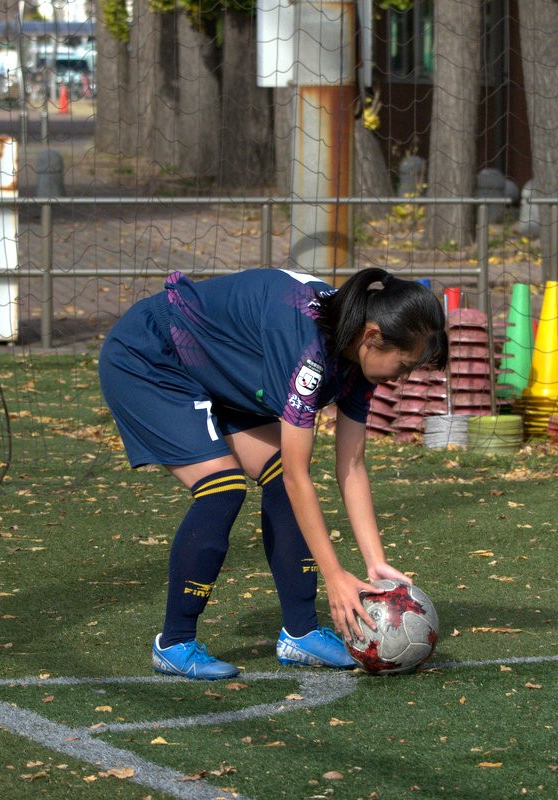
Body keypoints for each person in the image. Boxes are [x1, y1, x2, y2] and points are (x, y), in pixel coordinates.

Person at [98, 267, 448, 680]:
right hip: (151, 357)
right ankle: (173, 643)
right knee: (223, 489)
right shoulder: (308, 346)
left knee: (279, 472)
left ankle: (300, 634)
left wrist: (376, 564)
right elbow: (299, 477)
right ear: (373, 336)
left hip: (216, 370)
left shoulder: (356, 353)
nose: (403, 377)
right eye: (404, 365)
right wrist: (333, 576)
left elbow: (351, 465)